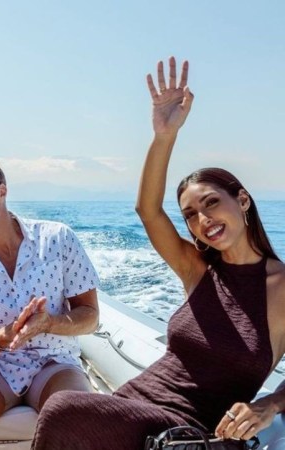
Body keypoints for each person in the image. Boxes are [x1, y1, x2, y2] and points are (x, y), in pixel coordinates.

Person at [31, 58, 285, 450]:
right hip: (137, 406)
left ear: (244, 200)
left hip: (192, 432)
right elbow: (147, 210)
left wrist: (269, 404)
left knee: (61, 409)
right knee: (68, 415)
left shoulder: (280, 285)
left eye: (212, 203)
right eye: (190, 215)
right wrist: (164, 135)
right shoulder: (197, 269)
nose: (204, 219)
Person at [0, 158, 100, 450]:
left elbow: (90, 316)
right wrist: (4, 336)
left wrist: (49, 323)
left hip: (55, 360)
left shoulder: (57, 238)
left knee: (76, 413)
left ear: (2, 192)